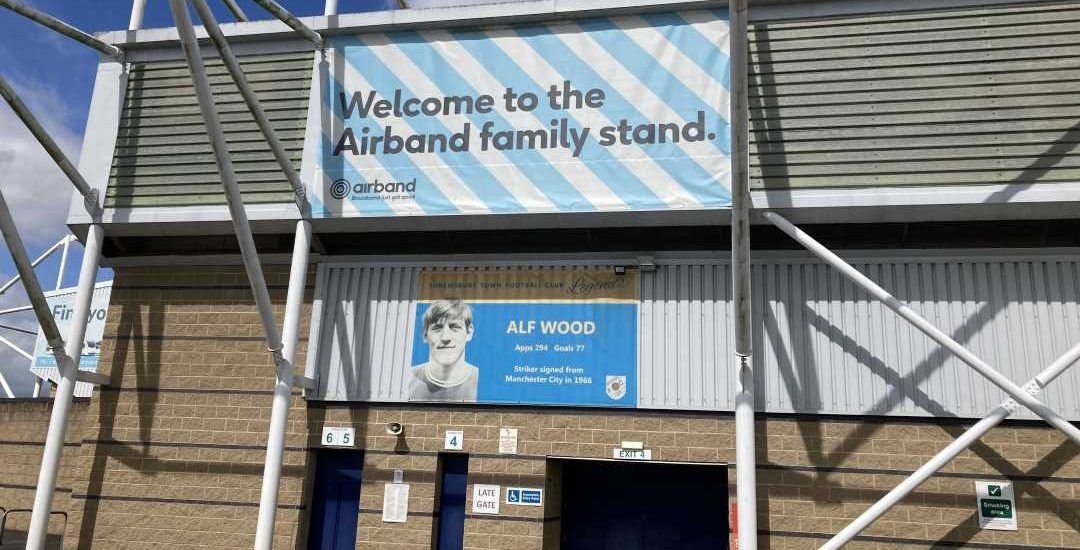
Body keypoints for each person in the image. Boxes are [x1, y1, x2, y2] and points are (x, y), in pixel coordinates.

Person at [409, 299, 479, 401]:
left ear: (469, 332)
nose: (445, 338)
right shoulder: (407, 379)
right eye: (437, 328)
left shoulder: (482, 381)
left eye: (455, 327)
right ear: (425, 334)